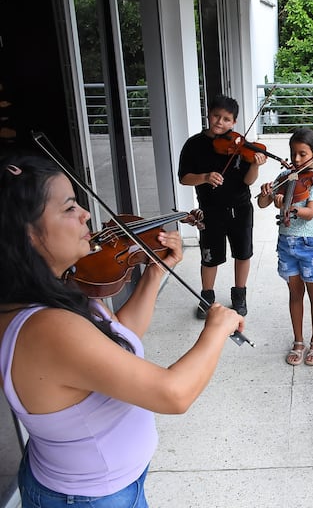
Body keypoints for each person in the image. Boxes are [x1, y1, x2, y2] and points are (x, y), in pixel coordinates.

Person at [0, 154, 243, 507]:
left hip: (95, 487)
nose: (86, 215)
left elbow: (116, 340)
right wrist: (216, 330)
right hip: (89, 498)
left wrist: (156, 272)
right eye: (69, 208)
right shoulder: (48, 328)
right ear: (28, 235)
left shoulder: (48, 295)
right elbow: (173, 394)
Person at [178, 94, 267, 318]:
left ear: (234, 122)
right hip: (211, 209)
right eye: (216, 116)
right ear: (209, 114)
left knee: (243, 253)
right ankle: (207, 296)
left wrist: (255, 166)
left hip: (240, 208)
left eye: (226, 119)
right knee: (210, 256)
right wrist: (205, 177)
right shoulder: (194, 144)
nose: (220, 122)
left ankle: (239, 294)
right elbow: (184, 178)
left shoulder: (240, 145)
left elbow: (248, 181)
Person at [257, 128, 313, 366]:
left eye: (303, 154)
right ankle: (298, 341)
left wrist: (290, 207)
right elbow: (262, 203)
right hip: (287, 243)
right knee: (295, 294)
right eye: (293, 153)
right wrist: (267, 194)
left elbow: (310, 213)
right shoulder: (285, 176)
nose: (296, 159)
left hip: (311, 244)